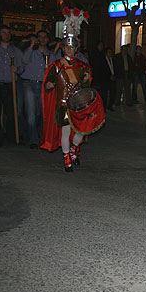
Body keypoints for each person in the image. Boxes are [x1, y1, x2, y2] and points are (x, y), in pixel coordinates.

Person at [40, 11, 104, 172]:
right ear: (63, 49)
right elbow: (49, 83)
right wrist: (49, 85)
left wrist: (87, 77)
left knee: (82, 131)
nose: (69, 49)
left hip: (78, 104)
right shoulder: (56, 66)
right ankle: (67, 156)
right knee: (66, 130)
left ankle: (74, 148)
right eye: (67, 47)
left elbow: (84, 83)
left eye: (72, 47)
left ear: (76, 49)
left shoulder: (82, 66)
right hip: (63, 104)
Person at [21, 30, 52, 148]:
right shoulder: (31, 52)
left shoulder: (50, 54)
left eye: (45, 37)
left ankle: (42, 136)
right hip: (29, 84)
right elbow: (23, 61)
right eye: (40, 37)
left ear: (47, 39)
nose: (42, 39)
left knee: (41, 113)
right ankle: (33, 139)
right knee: (31, 114)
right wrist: (30, 46)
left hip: (43, 86)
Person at [0, 25, 23, 147]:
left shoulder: (15, 51)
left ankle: (10, 136)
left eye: (8, 32)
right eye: (4, 32)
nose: (6, 35)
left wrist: (16, 69)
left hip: (9, 84)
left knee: (11, 112)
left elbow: (22, 67)